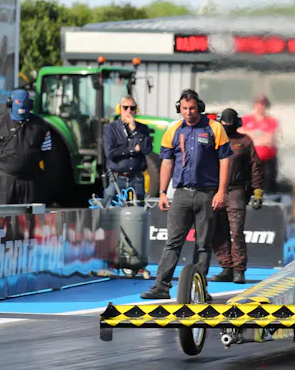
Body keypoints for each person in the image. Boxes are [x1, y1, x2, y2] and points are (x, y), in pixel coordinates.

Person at [141, 89, 233, 300]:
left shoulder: (214, 128)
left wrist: (221, 191)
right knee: (173, 242)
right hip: (181, 194)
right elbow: (167, 162)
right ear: (179, 109)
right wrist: (162, 192)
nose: (189, 112)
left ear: (198, 107)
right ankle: (161, 286)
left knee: (203, 244)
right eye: (184, 108)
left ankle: (199, 289)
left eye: (192, 108)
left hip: (207, 194)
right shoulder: (173, 130)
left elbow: (225, 160)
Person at [212, 108, 264, 284]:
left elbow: (255, 167)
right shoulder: (214, 139)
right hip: (215, 191)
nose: (227, 125)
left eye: (230, 122)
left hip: (236, 191)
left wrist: (257, 191)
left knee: (237, 232)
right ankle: (226, 267)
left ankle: (239, 270)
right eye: (224, 122)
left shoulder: (244, 141)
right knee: (218, 230)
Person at [0, 89, 51, 204]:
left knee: (31, 213)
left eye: (24, 102)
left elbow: (46, 150)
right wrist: (5, 162)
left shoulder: (40, 125)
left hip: (32, 181)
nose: (21, 105)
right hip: (6, 180)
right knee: (4, 213)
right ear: (11, 103)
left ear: (29, 103)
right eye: (18, 102)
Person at [102, 95, 153, 206]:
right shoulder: (110, 128)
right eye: (125, 108)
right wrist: (133, 150)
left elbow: (147, 149)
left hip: (136, 177)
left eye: (132, 108)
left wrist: (135, 131)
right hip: (116, 177)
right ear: (119, 109)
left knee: (139, 210)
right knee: (109, 209)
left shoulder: (142, 129)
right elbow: (110, 153)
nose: (129, 111)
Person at [240, 94, 279, 193]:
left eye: (263, 104)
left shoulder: (271, 121)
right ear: (254, 105)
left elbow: (270, 139)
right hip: (250, 159)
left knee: (267, 186)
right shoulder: (246, 119)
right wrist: (260, 136)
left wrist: (250, 136)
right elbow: (239, 134)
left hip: (266, 161)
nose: (260, 106)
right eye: (258, 104)